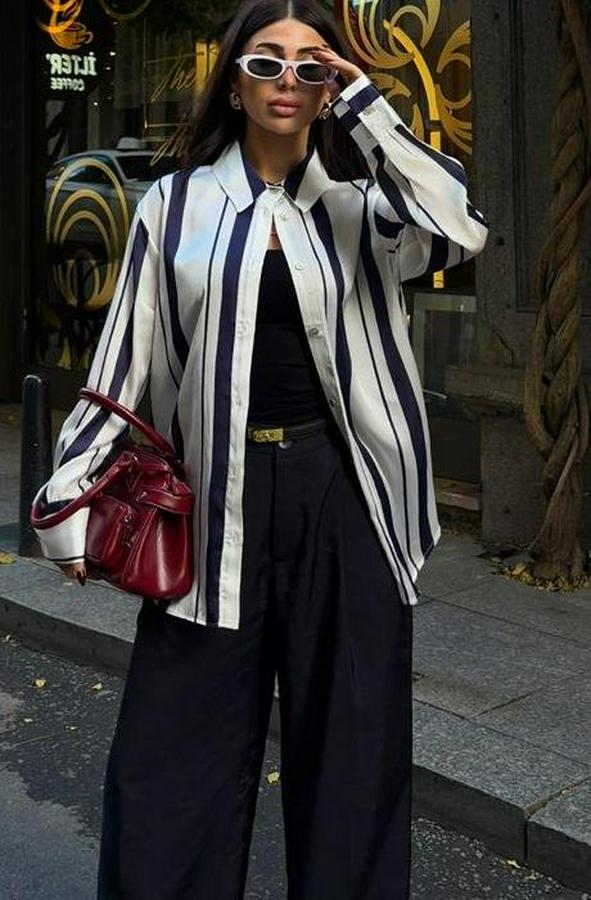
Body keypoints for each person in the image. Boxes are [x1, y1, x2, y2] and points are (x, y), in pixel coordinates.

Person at [31, 0, 489, 896]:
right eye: (266, 61)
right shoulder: (174, 205)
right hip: (210, 498)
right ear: (234, 82)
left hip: (346, 496)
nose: (288, 79)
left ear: (328, 89)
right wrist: (71, 489)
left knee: (354, 759)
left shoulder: (367, 210)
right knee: (173, 757)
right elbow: (124, 357)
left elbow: (460, 224)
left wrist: (363, 102)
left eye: (311, 65)